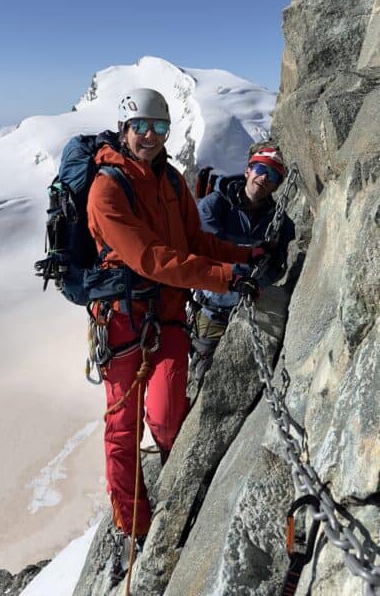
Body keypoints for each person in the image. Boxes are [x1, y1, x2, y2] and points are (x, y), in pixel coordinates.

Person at [86, 88, 262, 543]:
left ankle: (178, 494)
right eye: (140, 126)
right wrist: (223, 277)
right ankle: (135, 525)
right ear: (124, 129)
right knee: (124, 428)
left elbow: (193, 243)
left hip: (165, 315)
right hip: (123, 320)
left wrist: (244, 257)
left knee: (166, 419)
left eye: (159, 128)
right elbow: (150, 258)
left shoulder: (170, 181)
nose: (149, 136)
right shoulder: (107, 188)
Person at [191, 145, 295, 382]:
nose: (264, 179)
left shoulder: (280, 224)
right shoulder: (214, 205)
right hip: (213, 309)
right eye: (261, 169)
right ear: (248, 170)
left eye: (273, 176)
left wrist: (262, 274)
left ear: (278, 185)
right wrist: (252, 253)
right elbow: (205, 247)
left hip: (253, 308)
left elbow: (279, 267)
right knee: (204, 377)